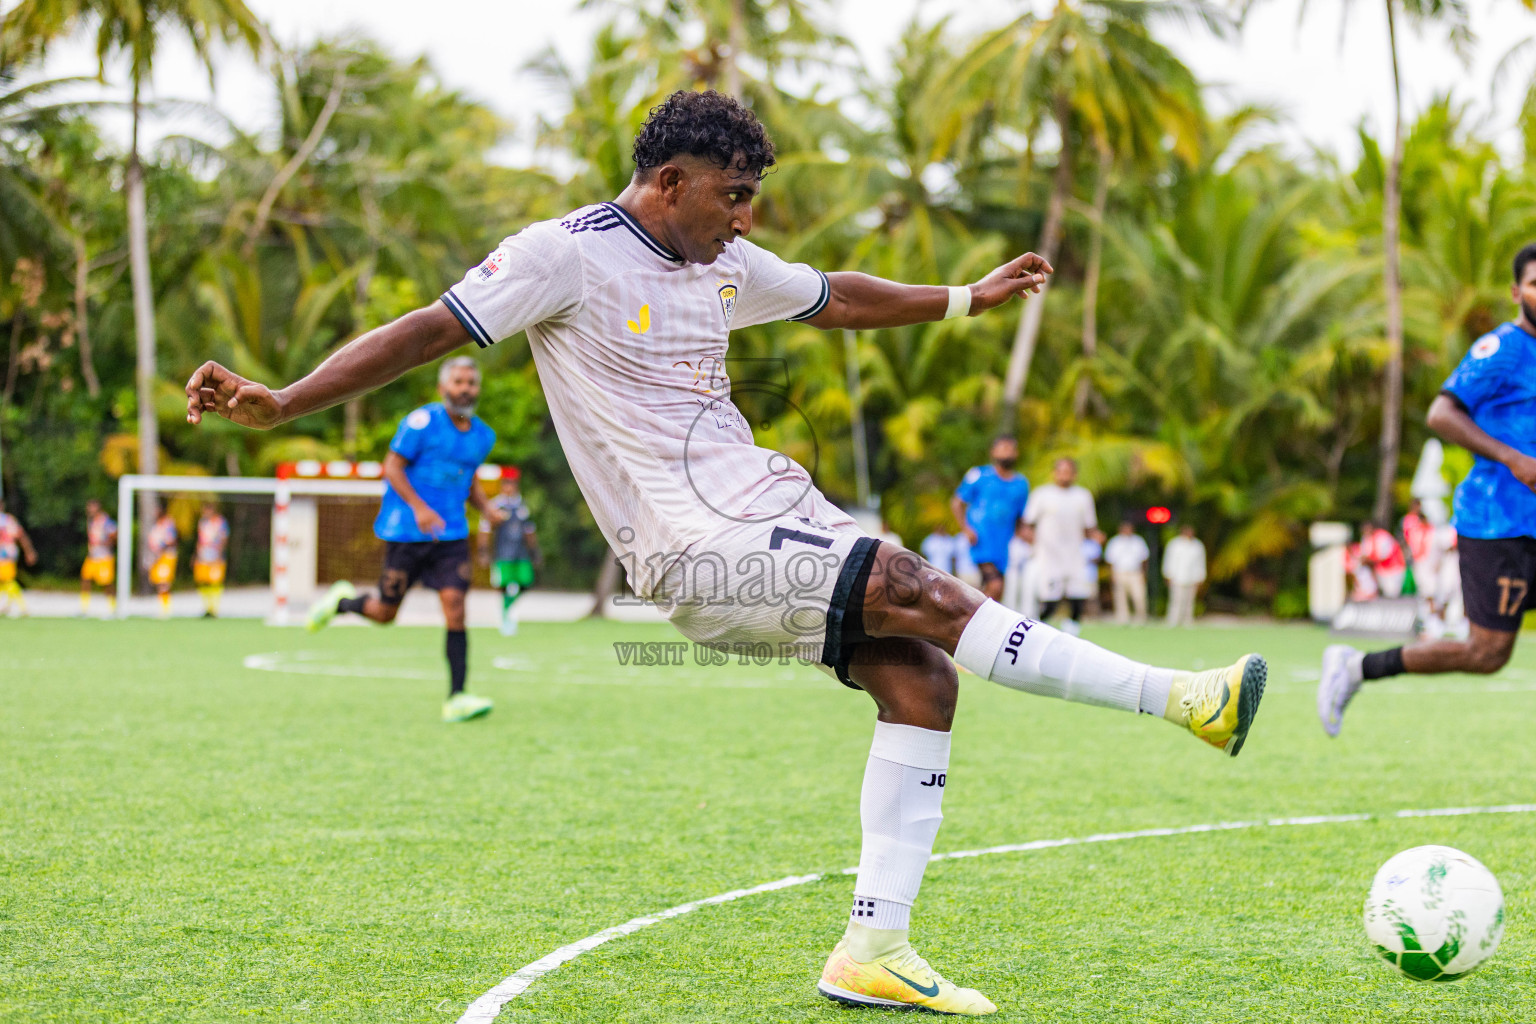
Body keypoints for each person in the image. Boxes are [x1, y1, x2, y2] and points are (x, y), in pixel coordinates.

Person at [186, 90, 1266, 1016]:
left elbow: (833, 295)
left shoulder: (725, 263)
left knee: (921, 679)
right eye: (733, 196)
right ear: (670, 182)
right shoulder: (564, 254)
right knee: (913, 584)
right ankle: (1185, 700)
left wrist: (963, 299)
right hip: (694, 549)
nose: (746, 219)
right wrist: (286, 400)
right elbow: (432, 326)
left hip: (771, 511)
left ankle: (874, 948)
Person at [1318, 243, 1536, 737]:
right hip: (1499, 522)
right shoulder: (1502, 349)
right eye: (1535, 283)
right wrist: (1513, 458)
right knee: (1486, 654)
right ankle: (1355, 667)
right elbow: (1441, 413)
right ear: (1515, 291)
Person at [306, 357, 506, 723]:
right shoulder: (421, 423)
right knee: (384, 613)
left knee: (456, 606)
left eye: (472, 382)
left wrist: (487, 509)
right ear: (443, 388)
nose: (465, 389)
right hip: (407, 532)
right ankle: (343, 602)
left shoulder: (483, 436)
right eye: (458, 382)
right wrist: (420, 508)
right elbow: (392, 467)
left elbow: (469, 477)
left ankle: (457, 697)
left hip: (451, 535)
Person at [1023, 457, 1102, 636]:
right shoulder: (1042, 494)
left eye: (1068, 472)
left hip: (1074, 555)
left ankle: (1072, 632)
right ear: (1054, 473)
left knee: (1078, 595)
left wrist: (1096, 536)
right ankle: (1037, 630)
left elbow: (1089, 526)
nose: (1065, 475)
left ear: (1075, 474)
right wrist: (1031, 542)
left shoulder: (1083, 496)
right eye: (1061, 471)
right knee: (1050, 599)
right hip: (1048, 556)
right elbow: (1028, 524)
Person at [951, 436, 1031, 602]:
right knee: (995, 586)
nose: (1007, 453)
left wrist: (1028, 536)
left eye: (1010, 449)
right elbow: (957, 502)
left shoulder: (1021, 483)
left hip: (1003, 547)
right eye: (1003, 448)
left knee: (995, 593)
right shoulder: (979, 474)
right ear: (993, 452)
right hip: (980, 542)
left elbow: (1020, 518)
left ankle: (972, 615)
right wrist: (966, 529)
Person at [482, 471, 542, 636]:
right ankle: (505, 614)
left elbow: (529, 530)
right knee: (502, 585)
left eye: (512, 484)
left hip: (521, 553)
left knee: (526, 582)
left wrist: (534, 551)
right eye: (506, 484)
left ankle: (508, 606)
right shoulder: (495, 505)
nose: (510, 487)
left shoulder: (522, 506)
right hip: (502, 553)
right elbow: (485, 529)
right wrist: (484, 551)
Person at [1104, 520, 1150, 625]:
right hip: (1120, 572)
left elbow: (1144, 559)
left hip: (1135, 572)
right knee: (1120, 597)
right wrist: (1111, 574)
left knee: (1139, 596)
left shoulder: (1138, 541)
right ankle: (1122, 619)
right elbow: (1109, 560)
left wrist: (1143, 573)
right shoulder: (1114, 542)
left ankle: (1141, 618)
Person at [1163, 524, 1207, 627]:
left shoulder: (1197, 545)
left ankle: (1188, 620)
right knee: (1176, 600)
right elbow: (1169, 560)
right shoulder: (1174, 544)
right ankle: (1173, 620)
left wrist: (1200, 577)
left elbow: (1200, 563)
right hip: (1177, 577)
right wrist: (1168, 575)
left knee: (1189, 601)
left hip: (1192, 578)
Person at [0, 499, 38, 617]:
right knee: (5, 582)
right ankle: (7, 606)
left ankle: (23, 608)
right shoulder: (8, 520)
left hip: (5, 555)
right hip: (7, 554)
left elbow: (21, 536)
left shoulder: (6, 520)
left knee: (8, 581)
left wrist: (29, 551)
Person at [80, 499, 118, 616]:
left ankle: (112, 607)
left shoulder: (105, 521)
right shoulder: (91, 521)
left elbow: (114, 534)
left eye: (92, 507)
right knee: (85, 579)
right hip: (93, 556)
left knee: (107, 583)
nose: (90, 510)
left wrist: (106, 542)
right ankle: (84, 608)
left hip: (104, 556)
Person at [193, 503, 230, 618]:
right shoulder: (203, 523)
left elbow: (224, 538)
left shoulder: (220, 522)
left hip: (216, 554)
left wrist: (219, 553)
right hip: (204, 555)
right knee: (203, 580)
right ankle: (207, 607)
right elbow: (200, 540)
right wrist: (197, 554)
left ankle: (214, 608)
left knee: (215, 581)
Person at [1358, 520, 1406, 599]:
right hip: (1381, 570)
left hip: (1393, 568)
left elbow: (1383, 556)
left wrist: (1369, 561)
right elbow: (1365, 554)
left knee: (1392, 593)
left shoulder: (1383, 536)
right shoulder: (1366, 539)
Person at [145, 509, 179, 618]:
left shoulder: (168, 524)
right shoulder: (156, 526)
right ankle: (163, 608)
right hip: (157, 557)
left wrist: (161, 548)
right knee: (159, 582)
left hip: (166, 556)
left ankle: (166, 609)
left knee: (164, 582)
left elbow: (171, 540)